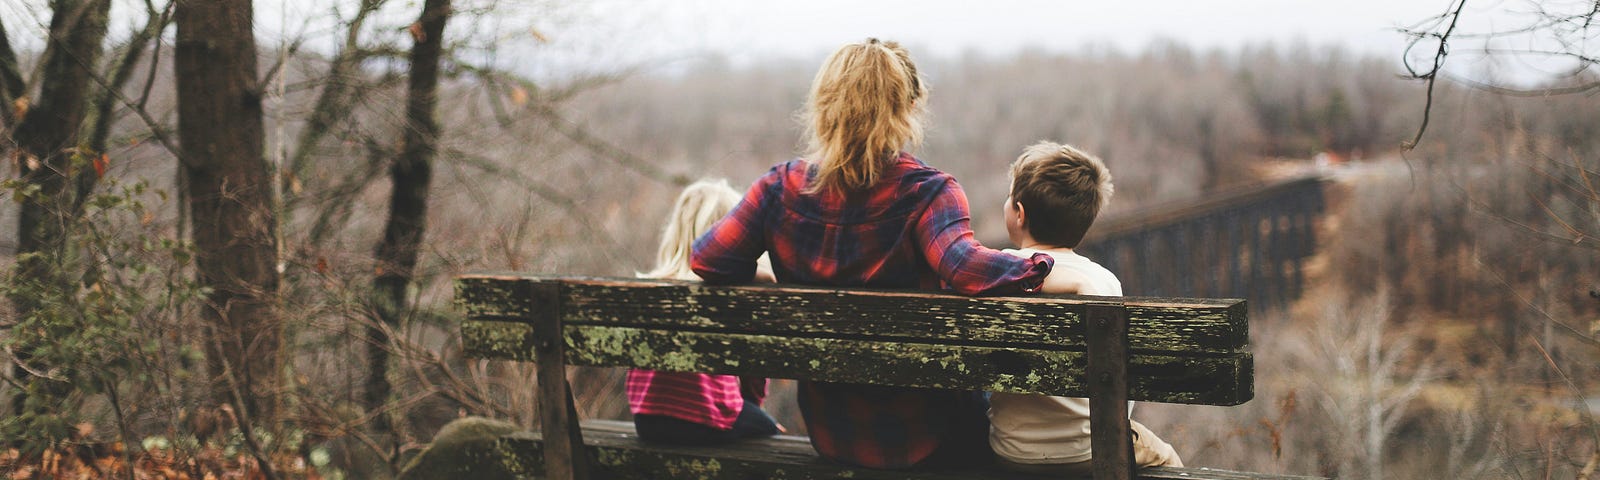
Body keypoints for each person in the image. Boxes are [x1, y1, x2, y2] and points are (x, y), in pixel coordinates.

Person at [690, 38, 1055, 470]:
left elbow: (708, 259)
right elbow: (964, 267)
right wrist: (1041, 263)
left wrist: (764, 276)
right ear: (904, 109)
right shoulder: (928, 192)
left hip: (833, 434)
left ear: (824, 106)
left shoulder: (777, 190)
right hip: (931, 439)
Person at [987, 141, 1184, 474]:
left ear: (1018, 213)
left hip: (1011, 450)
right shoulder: (1103, 281)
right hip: (1090, 449)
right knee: (1167, 458)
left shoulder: (993, 271)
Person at [626, 179, 781, 445]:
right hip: (709, 420)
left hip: (647, 420)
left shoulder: (648, 291)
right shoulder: (730, 294)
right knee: (772, 432)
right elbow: (753, 370)